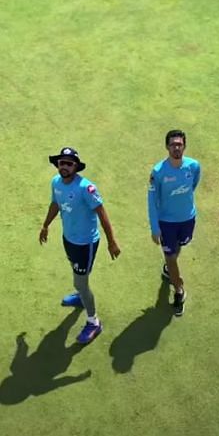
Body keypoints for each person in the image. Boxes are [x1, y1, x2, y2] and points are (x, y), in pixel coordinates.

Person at [39, 147, 121, 345]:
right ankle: (81, 295)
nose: (65, 166)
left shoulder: (86, 188)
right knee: (78, 276)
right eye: (62, 162)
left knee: (81, 281)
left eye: (69, 163)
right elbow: (55, 204)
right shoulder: (56, 183)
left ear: (76, 167)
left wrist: (111, 241)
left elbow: (102, 213)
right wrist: (45, 225)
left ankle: (94, 322)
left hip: (86, 243)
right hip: (69, 239)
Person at [148, 129, 201, 317]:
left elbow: (193, 185)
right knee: (171, 256)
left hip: (187, 219)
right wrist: (155, 228)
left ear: (184, 145)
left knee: (177, 249)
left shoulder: (193, 166)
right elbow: (152, 200)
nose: (176, 147)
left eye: (179, 144)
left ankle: (168, 269)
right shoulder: (158, 172)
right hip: (167, 223)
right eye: (172, 144)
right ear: (167, 147)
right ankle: (179, 290)